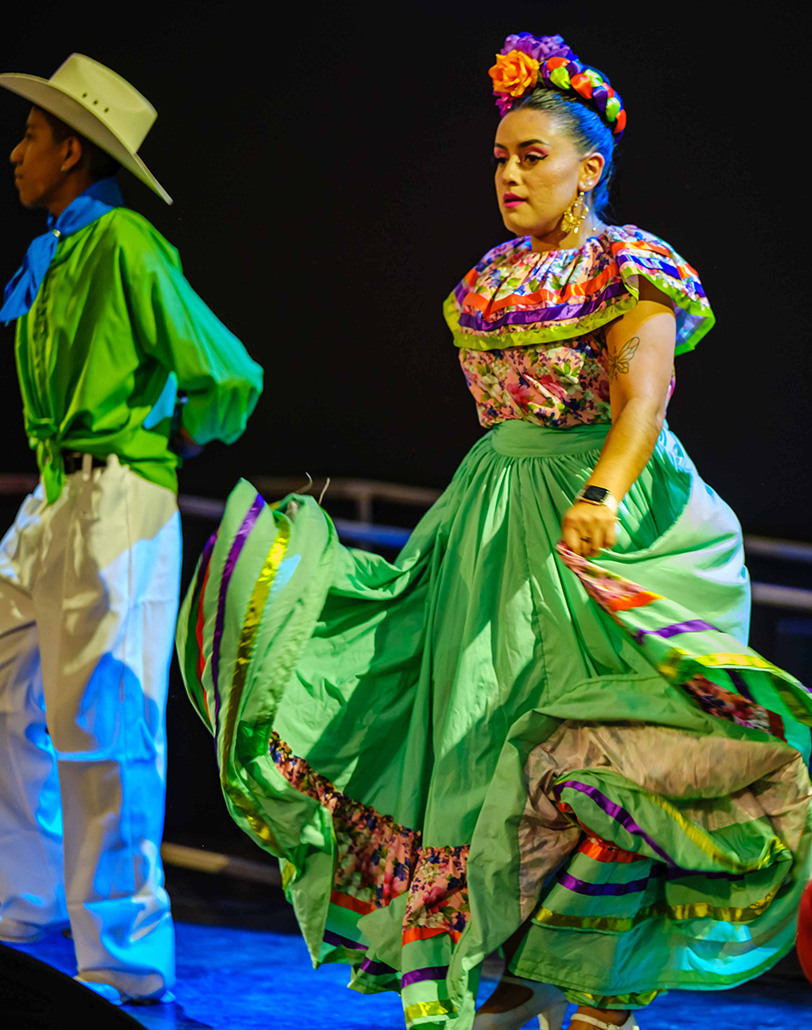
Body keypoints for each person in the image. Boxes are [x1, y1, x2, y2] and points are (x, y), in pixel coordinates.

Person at [176, 32, 812, 1030]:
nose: (510, 174)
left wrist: (600, 495)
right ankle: (505, 967)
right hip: (488, 523)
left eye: (533, 156)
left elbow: (643, 400)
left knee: (606, 751)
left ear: (586, 169)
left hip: (599, 519)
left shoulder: (628, 266)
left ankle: (603, 991)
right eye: (500, 157)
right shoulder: (493, 277)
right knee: (475, 743)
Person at [0, 54, 263, 1005]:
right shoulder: (61, 249)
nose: (17, 151)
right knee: (13, 703)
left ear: (72, 150)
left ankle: (121, 955)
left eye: (32, 135)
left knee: (107, 720)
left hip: (116, 495)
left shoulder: (123, 240)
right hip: (51, 496)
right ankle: (26, 904)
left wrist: (171, 439)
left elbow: (228, 372)